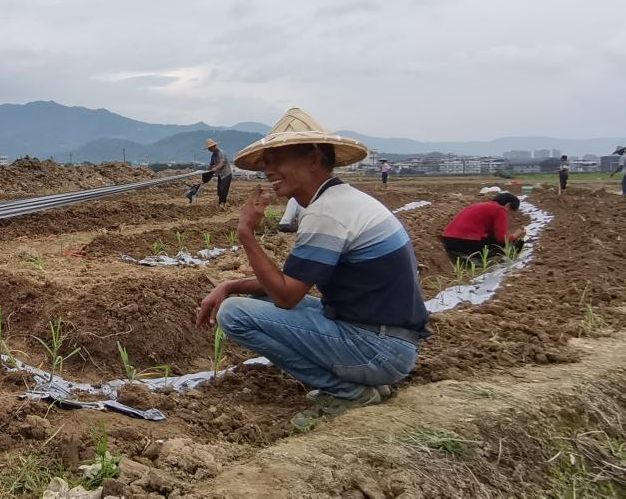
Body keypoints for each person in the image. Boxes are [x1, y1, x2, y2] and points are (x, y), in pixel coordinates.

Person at [196, 108, 429, 430]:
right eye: (266, 162)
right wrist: (230, 285)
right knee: (253, 299)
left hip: (378, 349)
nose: (268, 170)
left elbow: (286, 296)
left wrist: (245, 233)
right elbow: (291, 282)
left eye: (277, 160)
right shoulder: (341, 200)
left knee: (234, 314)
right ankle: (362, 382)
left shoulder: (327, 212)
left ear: (315, 159)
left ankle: (349, 392)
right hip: (387, 343)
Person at [441, 193, 525, 264]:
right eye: (510, 212)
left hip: (448, 240)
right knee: (501, 245)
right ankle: (480, 260)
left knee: (492, 237)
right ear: (508, 205)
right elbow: (502, 239)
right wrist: (516, 234)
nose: (508, 215)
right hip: (466, 242)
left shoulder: (481, 206)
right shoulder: (500, 210)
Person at [205, 138, 233, 205]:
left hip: (226, 174)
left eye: (210, 148)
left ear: (214, 146)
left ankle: (222, 203)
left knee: (223, 189)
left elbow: (222, 163)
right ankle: (222, 203)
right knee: (219, 190)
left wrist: (215, 168)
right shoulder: (213, 155)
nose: (209, 150)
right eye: (208, 149)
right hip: (220, 175)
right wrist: (207, 171)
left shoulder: (221, 153)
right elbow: (211, 165)